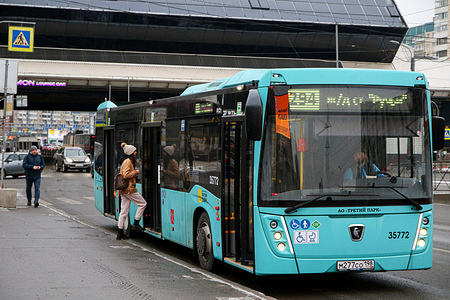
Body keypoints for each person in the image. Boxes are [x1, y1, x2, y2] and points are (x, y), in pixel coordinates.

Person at [116, 142, 147, 240]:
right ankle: (136, 222)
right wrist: (136, 172)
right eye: (134, 151)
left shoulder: (128, 161)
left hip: (124, 190)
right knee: (143, 203)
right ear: (131, 153)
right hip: (129, 190)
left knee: (124, 212)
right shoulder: (128, 162)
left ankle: (120, 233)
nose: (136, 153)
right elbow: (126, 175)